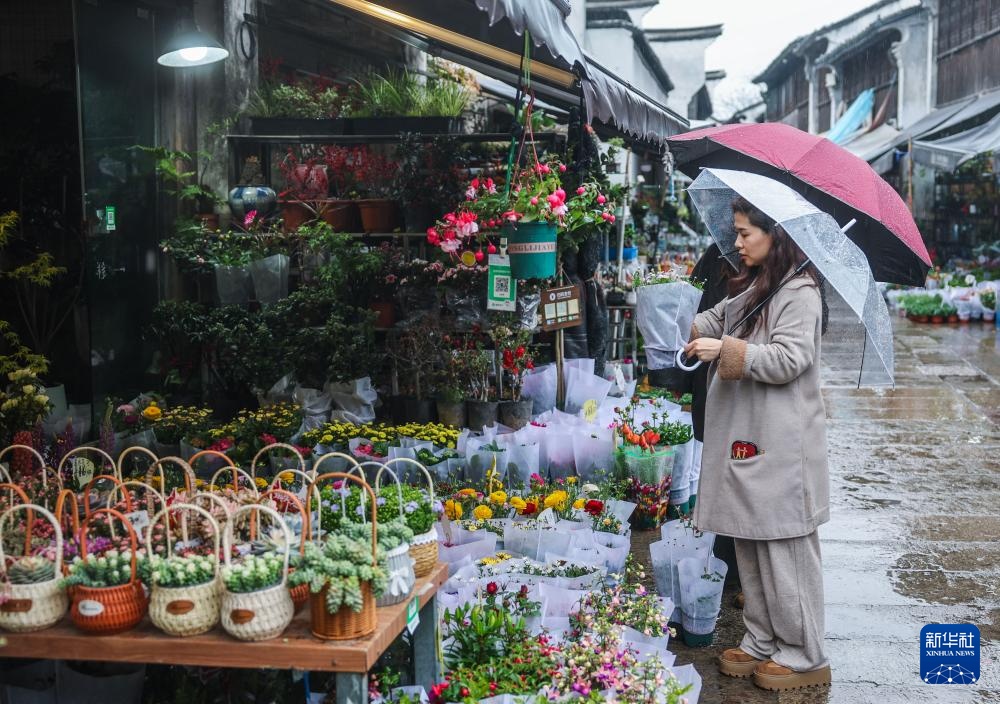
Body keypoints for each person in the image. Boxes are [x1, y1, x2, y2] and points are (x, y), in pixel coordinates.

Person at [683, 196, 831, 692]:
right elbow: (718, 316)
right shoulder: (761, 286)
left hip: (782, 443)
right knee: (749, 538)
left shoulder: (801, 291)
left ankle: (804, 652)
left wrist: (722, 349)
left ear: (777, 234)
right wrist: (691, 321)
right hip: (749, 439)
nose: (738, 242)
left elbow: (789, 358)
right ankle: (762, 640)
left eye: (747, 232)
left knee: (783, 546)